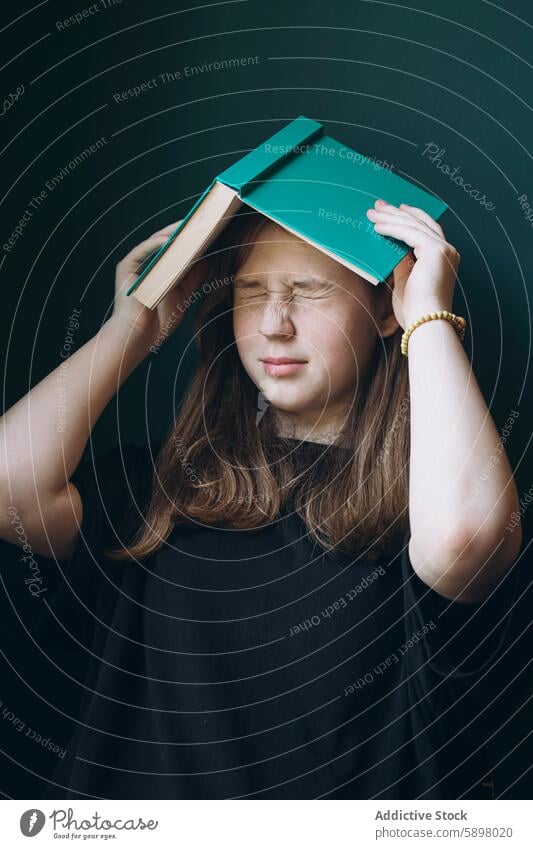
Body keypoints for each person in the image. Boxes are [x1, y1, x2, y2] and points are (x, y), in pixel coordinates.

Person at [0, 199, 530, 800]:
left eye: (308, 291)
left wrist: (429, 317)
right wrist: (130, 328)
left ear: (385, 310)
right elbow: (8, 488)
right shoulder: (159, 485)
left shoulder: (433, 499)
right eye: (252, 292)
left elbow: (466, 540)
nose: (274, 323)